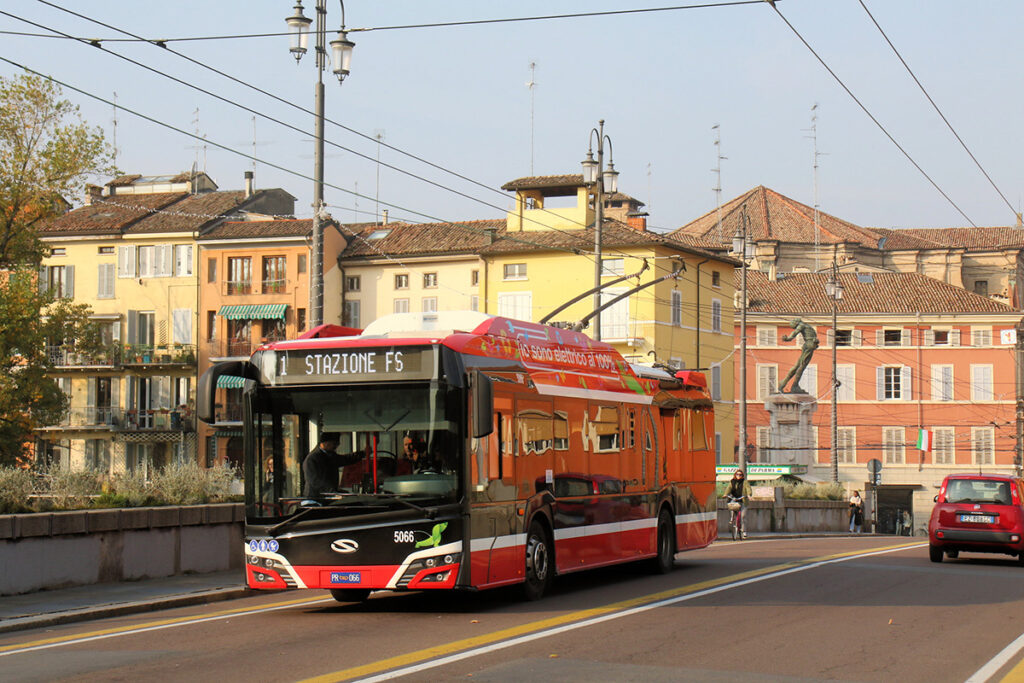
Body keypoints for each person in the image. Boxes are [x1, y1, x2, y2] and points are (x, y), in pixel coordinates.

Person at [302, 432, 370, 497]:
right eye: (334, 444)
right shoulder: (312, 459)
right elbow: (315, 481)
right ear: (326, 443)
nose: (336, 447)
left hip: (326, 495)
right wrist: (333, 491)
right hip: (315, 497)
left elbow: (345, 459)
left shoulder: (329, 455)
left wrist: (363, 453)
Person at [779, 317, 820, 393]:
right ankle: (793, 385)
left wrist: (816, 341)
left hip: (810, 345)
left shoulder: (803, 325)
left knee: (798, 366)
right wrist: (788, 339)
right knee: (801, 366)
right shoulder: (802, 325)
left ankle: (784, 383)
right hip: (809, 345)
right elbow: (795, 333)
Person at [724, 469, 751, 539]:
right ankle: (732, 519)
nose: (739, 476)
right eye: (737, 474)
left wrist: (748, 495)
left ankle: (744, 531)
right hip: (734, 499)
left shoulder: (745, 482)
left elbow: (748, 489)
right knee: (731, 507)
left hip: (743, 500)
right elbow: (728, 488)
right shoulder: (732, 482)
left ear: (742, 476)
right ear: (735, 475)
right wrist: (725, 494)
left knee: (743, 516)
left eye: (740, 475)